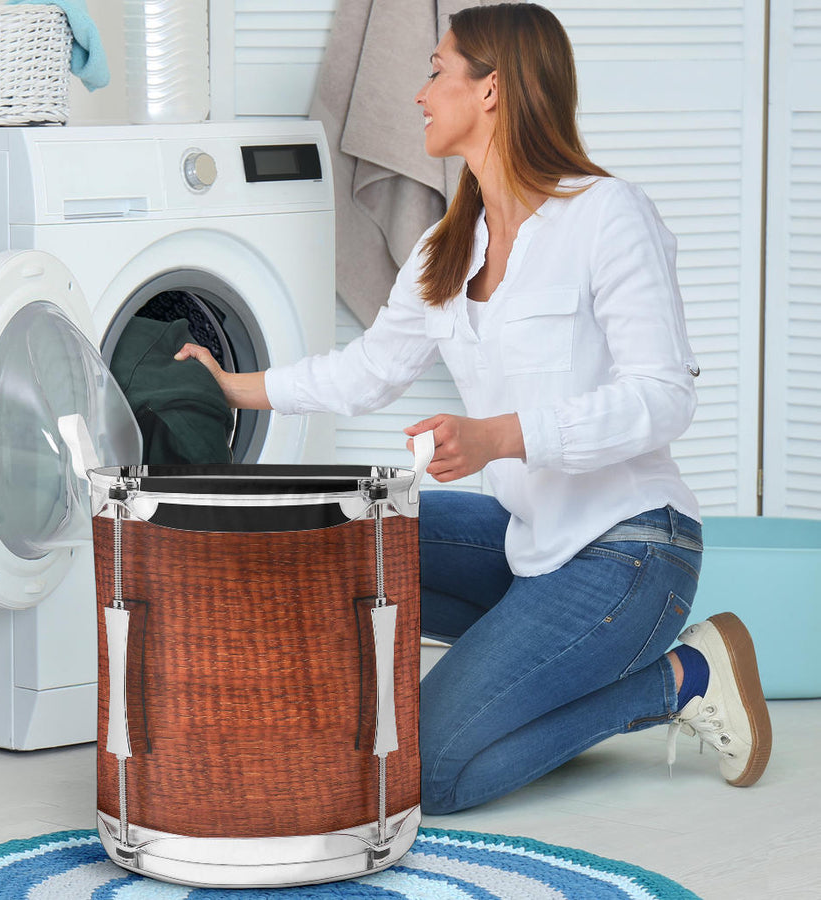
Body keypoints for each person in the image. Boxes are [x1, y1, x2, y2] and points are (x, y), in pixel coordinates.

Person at [175, 2, 772, 815]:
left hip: (633, 550)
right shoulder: (445, 247)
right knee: (349, 536)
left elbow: (664, 399)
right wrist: (236, 384)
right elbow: (368, 371)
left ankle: (680, 679)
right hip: (531, 544)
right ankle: (456, 688)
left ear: (491, 90)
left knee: (429, 776)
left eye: (436, 71)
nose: (419, 93)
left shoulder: (605, 214)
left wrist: (502, 437)